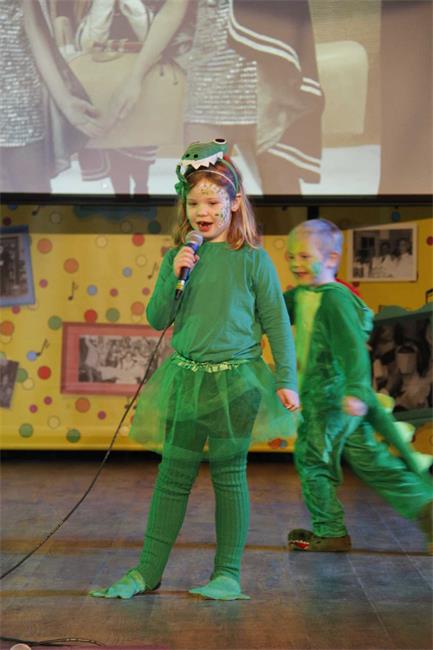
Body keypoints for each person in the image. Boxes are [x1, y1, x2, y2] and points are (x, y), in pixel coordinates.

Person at [89, 139, 299, 600]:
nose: (202, 212)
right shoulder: (179, 257)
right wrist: (175, 272)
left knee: (229, 474)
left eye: (213, 202)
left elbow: (277, 324)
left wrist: (287, 379)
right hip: (186, 378)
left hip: (237, 382)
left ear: (235, 203)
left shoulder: (253, 260)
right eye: (194, 203)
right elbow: (157, 318)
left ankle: (227, 574)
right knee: (173, 475)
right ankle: (147, 571)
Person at [284, 218, 432, 553]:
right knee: (370, 460)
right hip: (342, 402)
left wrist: (353, 390)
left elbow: (352, 349)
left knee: (312, 460)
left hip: (330, 399)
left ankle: (329, 530)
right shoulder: (305, 294)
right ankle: (427, 508)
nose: (295, 264)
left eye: (304, 257)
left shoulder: (333, 300)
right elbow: (274, 309)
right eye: (291, 257)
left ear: (332, 259)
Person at [0, 0, 104, 194]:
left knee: (33, 200)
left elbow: (34, 28)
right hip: (21, 106)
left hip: (21, 109)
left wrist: (65, 102)